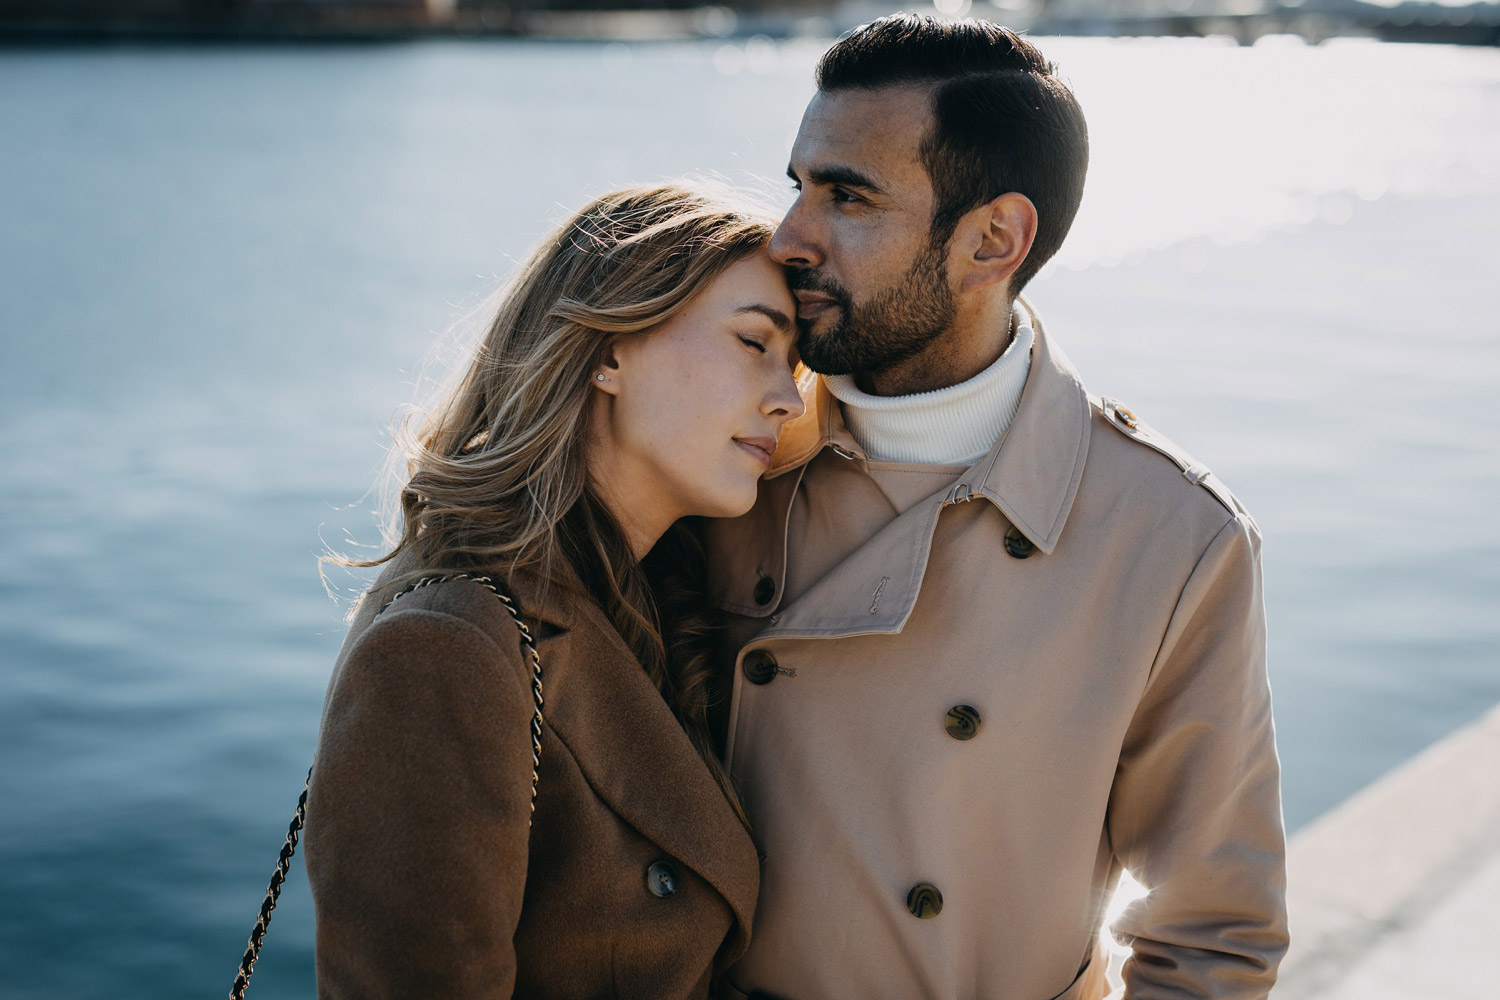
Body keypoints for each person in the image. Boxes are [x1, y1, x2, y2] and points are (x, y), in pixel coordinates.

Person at [700, 15, 1289, 1000]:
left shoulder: (1171, 537)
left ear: (993, 239)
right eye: (797, 186)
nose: (787, 238)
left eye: (846, 196)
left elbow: (1212, 938)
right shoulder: (720, 465)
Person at [302, 183, 804, 999]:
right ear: (608, 351)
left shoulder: (655, 603)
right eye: (755, 343)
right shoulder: (446, 650)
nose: (787, 398)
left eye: (795, 364)